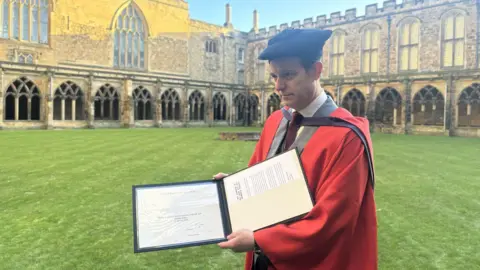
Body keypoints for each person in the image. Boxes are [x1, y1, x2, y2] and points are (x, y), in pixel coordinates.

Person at [213, 28, 377, 270]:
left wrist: (260, 240)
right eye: (274, 76)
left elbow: (332, 220)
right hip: (265, 261)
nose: (279, 86)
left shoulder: (347, 137)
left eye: (288, 74)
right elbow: (260, 181)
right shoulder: (275, 122)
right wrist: (235, 187)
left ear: (316, 71)